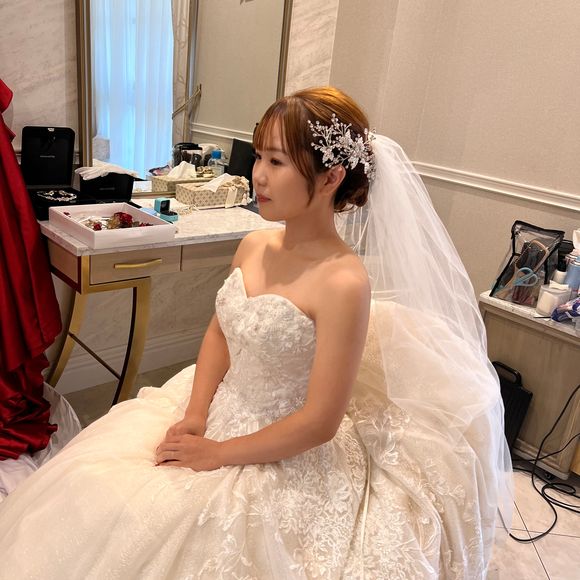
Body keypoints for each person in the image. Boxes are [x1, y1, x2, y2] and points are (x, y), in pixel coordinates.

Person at [0, 87, 512, 579]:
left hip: (286, 440)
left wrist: (218, 454)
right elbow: (220, 334)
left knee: (182, 523)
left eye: (277, 162)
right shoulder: (254, 244)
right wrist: (195, 413)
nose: (257, 175)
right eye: (259, 156)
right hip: (219, 403)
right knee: (106, 497)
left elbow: (320, 422)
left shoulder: (343, 281)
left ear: (331, 177)